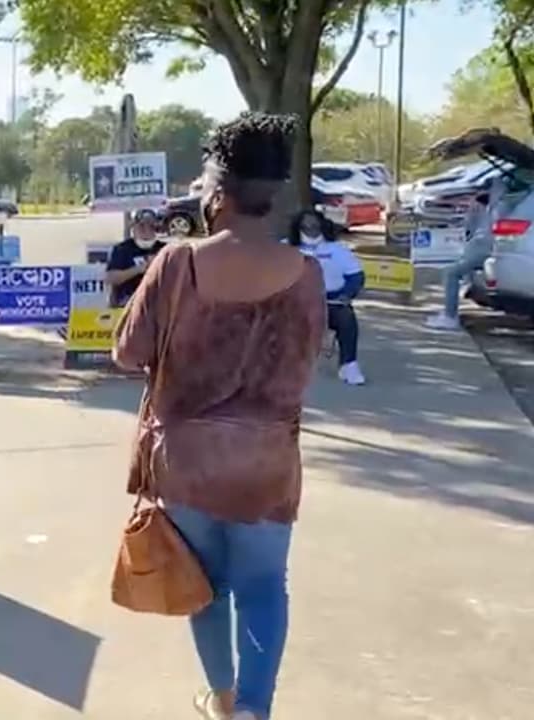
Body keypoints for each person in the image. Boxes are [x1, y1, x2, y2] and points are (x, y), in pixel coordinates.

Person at [113, 112, 325, 720]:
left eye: (206, 186)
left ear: (220, 193)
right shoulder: (306, 275)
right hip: (267, 467)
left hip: (188, 466)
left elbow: (127, 354)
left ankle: (223, 701)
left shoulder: (177, 262)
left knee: (204, 589)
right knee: (264, 590)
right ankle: (256, 710)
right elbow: (306, 362)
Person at [286, 209, 366, 386]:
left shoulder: (337, 250)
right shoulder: (286, 248)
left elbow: (356, 276)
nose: (311, 227)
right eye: (306, 223)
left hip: (332, 301)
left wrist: (347, 294)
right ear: (298, 225)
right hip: (297, 302)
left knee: (347, 318)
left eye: (315, 223)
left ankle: (349, 365)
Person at [426, 175, 503, 330]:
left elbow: (471, 230)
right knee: (457, 268)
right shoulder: (502, 205)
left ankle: (450, 316)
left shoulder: (489, 207)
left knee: (451, 273)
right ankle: (458, 300)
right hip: (492, 248)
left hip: (487, 248)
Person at [106, 209, 168, 307]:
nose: (147, 230)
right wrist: (140, 268)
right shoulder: (122, 249)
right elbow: (111, 278)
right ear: (134, 228)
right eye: (142, 226)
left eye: (151, 227)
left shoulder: (165, 249)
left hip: (158, 303)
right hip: (128, 302)